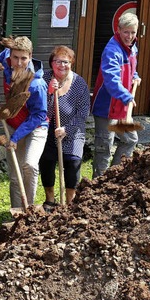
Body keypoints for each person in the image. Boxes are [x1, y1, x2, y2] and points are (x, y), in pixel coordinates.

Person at [0, 36, 48, 209]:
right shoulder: (7, 59)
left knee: (29, 165)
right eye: (15, 57)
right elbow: (3, 54)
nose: (18, 62)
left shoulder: (36, 84)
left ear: (30, 56)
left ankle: (30, 210)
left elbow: (39, 115)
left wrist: (15, 137)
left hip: (36, 127)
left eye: (24, 58)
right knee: (15, 174)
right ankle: (17, 212)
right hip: (13, 124)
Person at [91, 12, 141, 177]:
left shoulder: (132, 47)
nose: (129, 36)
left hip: (121, 108)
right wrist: (127, 96)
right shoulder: (112, 51)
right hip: (107, 107)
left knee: (131, 139)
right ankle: (98, 185)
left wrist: (134, 76)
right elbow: (112, 80)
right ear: (118, 30)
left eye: (133, 32)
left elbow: (130, 69)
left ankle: (113, 174)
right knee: (104, 147)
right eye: (126, 32)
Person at [39, 46, 90, 208]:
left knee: (73, 163)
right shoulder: (43, 79)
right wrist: (49, 92)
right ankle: (50, 200)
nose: (62, 65)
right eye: (58, 61)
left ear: (71, 63)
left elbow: (83, 113)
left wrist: (66, 129)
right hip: (48, 128)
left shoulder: (79, 84)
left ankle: (70, 202)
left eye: (66, 62)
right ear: (51, 63)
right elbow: (39, 108)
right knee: (46, 161)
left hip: (73, 130)